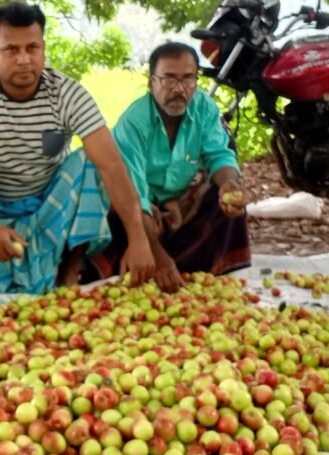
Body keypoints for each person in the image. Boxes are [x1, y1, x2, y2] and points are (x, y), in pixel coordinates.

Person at [0, 2, 155, 294]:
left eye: (32, 48)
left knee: (94, 160)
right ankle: (6, 254)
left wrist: (138, 240)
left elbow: (112, 165)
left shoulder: (68, 93)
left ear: (43, 48)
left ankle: (70, 266)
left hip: (50, 202)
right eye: (11, 50)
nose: (24, 59)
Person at [89, 42, 251, 292]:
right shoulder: (133, 123)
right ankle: (148, 264)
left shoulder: (204, 109)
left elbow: (219, 155)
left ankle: (200, 272)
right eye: (169, 79)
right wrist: (158, 258)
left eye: (188, 79)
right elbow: (133, 195)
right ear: (151, 82)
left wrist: (229, 183)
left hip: (180, 202)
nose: (179, 89)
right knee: (114, 205)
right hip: (141, 207)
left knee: (222, 199)